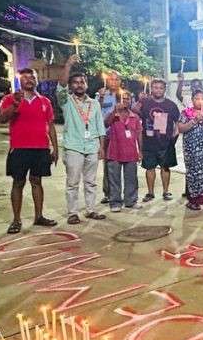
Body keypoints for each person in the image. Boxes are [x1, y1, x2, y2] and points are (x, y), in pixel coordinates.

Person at [0, 68, 59, 234]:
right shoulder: (10, 99)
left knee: (37, 181)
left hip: (41, 148)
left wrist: (55, 148)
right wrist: (16, 105)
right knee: (18, 182)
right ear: (20, 81)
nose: (29, 80)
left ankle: (38, 216)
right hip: (19, 149)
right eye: (25, 77)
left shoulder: (45, 101)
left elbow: (51, 126)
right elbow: (2, 119)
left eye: (32, 77)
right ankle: (16, 220)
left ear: (37, 80)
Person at [56, 71, 107, 224]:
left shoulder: (94, 103)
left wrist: (102, 147)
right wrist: (68, 66)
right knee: (73, 182)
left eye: (82, 82)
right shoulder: (66, 101)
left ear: (86, 85)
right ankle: (73, 213)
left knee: (91, 181)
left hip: (92, 146)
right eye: (76, 82)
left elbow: (100, 126)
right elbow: (60, 88)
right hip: (73, 147)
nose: (79, 85)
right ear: (71, 85)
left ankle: (90, 210)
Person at [138, 79, 180, 202]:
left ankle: (166, 191)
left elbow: (178, 123)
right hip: (148, 142)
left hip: (165, 143)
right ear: (151, 88)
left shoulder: (171, 105)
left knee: (165, 168)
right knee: (149, 168)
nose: (158, 90)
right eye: (155, 87)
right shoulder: (145, 103)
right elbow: (134, 111)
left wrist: (173, 138)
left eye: (161, 88)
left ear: (164, 89)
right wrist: (140, 100)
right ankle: (150, 193)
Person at [104, 90, 142, 211]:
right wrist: (115, 111)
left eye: (128, 98)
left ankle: (131, 201)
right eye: (123, 98)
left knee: (131, 178)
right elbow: (105, 124)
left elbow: (139, 134)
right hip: (114, 151)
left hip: (130, 151)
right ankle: (115, 203)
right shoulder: (113, 115)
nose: (125, 101)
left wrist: (140, 150)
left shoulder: (134, 117)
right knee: (114, 179)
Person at [97, 69, 124, 204]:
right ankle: (108, 193)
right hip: (107, 135)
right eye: (111, 79)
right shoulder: (101, 95)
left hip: (122, 135)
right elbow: (96, 110)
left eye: (116, 79)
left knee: (124, 163)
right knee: (108, 165)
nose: (114, 82)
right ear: (107, 81)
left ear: (120, 81)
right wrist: (101, 98)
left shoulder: (124, 95)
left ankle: (120, 193)